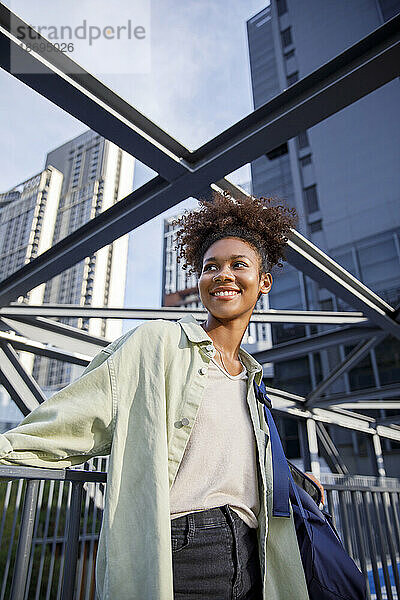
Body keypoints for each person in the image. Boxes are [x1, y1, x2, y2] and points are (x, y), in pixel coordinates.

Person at [0, 191, 311, 600]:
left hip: (255, 555)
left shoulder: (252, 380)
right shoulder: (159, 343)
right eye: (210, 267)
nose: (223, 275)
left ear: (264, 281)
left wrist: (296, 479)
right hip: (182, 550)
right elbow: (74, 418)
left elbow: (235, 460)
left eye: (239, 265)